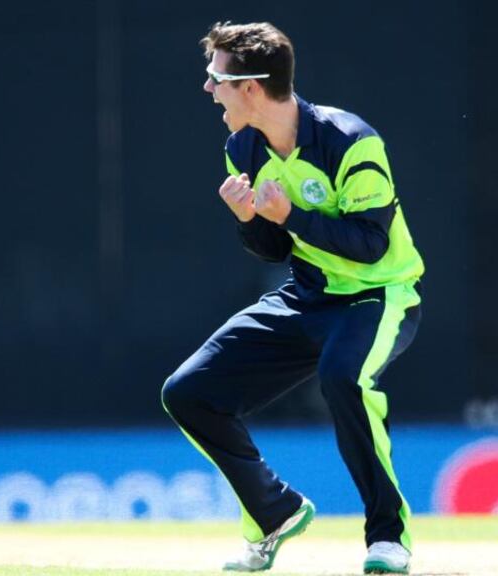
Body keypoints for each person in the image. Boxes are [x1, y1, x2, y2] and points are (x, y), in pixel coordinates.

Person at [161, 22, 423, 575]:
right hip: (308, 295)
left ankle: (387, 538)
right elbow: (276, 247)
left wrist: (291, 215)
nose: (209, 90)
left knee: (344, 378)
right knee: (189, 393)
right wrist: (250, 221)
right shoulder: (243, 147)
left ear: (252, 88)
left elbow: (372, 248)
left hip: (380, 296)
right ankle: (273, 512)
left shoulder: (350, 141)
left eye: (217, 79)